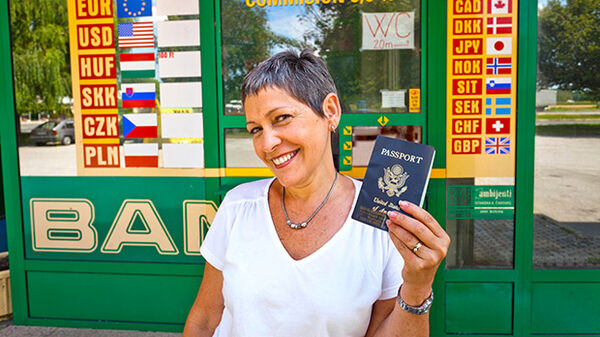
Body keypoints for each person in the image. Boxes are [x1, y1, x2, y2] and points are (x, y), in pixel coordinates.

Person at [183, 49, 450, 337]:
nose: (267, 143)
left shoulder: (382, 219)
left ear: (331, 111)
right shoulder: (238, 206)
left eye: (282, 117)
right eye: (255, 130)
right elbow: (205, 318)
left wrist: (417, 286)